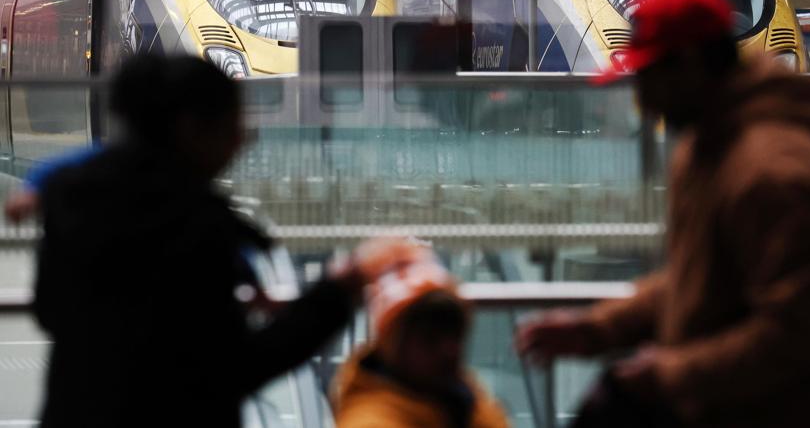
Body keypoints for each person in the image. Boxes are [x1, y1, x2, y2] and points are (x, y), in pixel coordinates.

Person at [516, 0, 810, 427]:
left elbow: (800, 334)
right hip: (725, 405)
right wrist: (598, 328)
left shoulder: (770, 173)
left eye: (650, 77)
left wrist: (670, 373)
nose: (645, 99)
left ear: (689, 65)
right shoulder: (708, 151)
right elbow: (699, 279)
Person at [33, 55, 416, 428]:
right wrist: (343, 286)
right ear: (189, 129)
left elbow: (49, 310)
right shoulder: (194, 225)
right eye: (234, 126)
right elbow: (234, 368)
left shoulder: (73, 198)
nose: (243, 141)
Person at [332, 244, 508, 428]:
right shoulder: (372, 422)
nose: (449, 350)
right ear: (396, 347)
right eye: (430, 340)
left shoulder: (462, 399)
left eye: (455, 334)